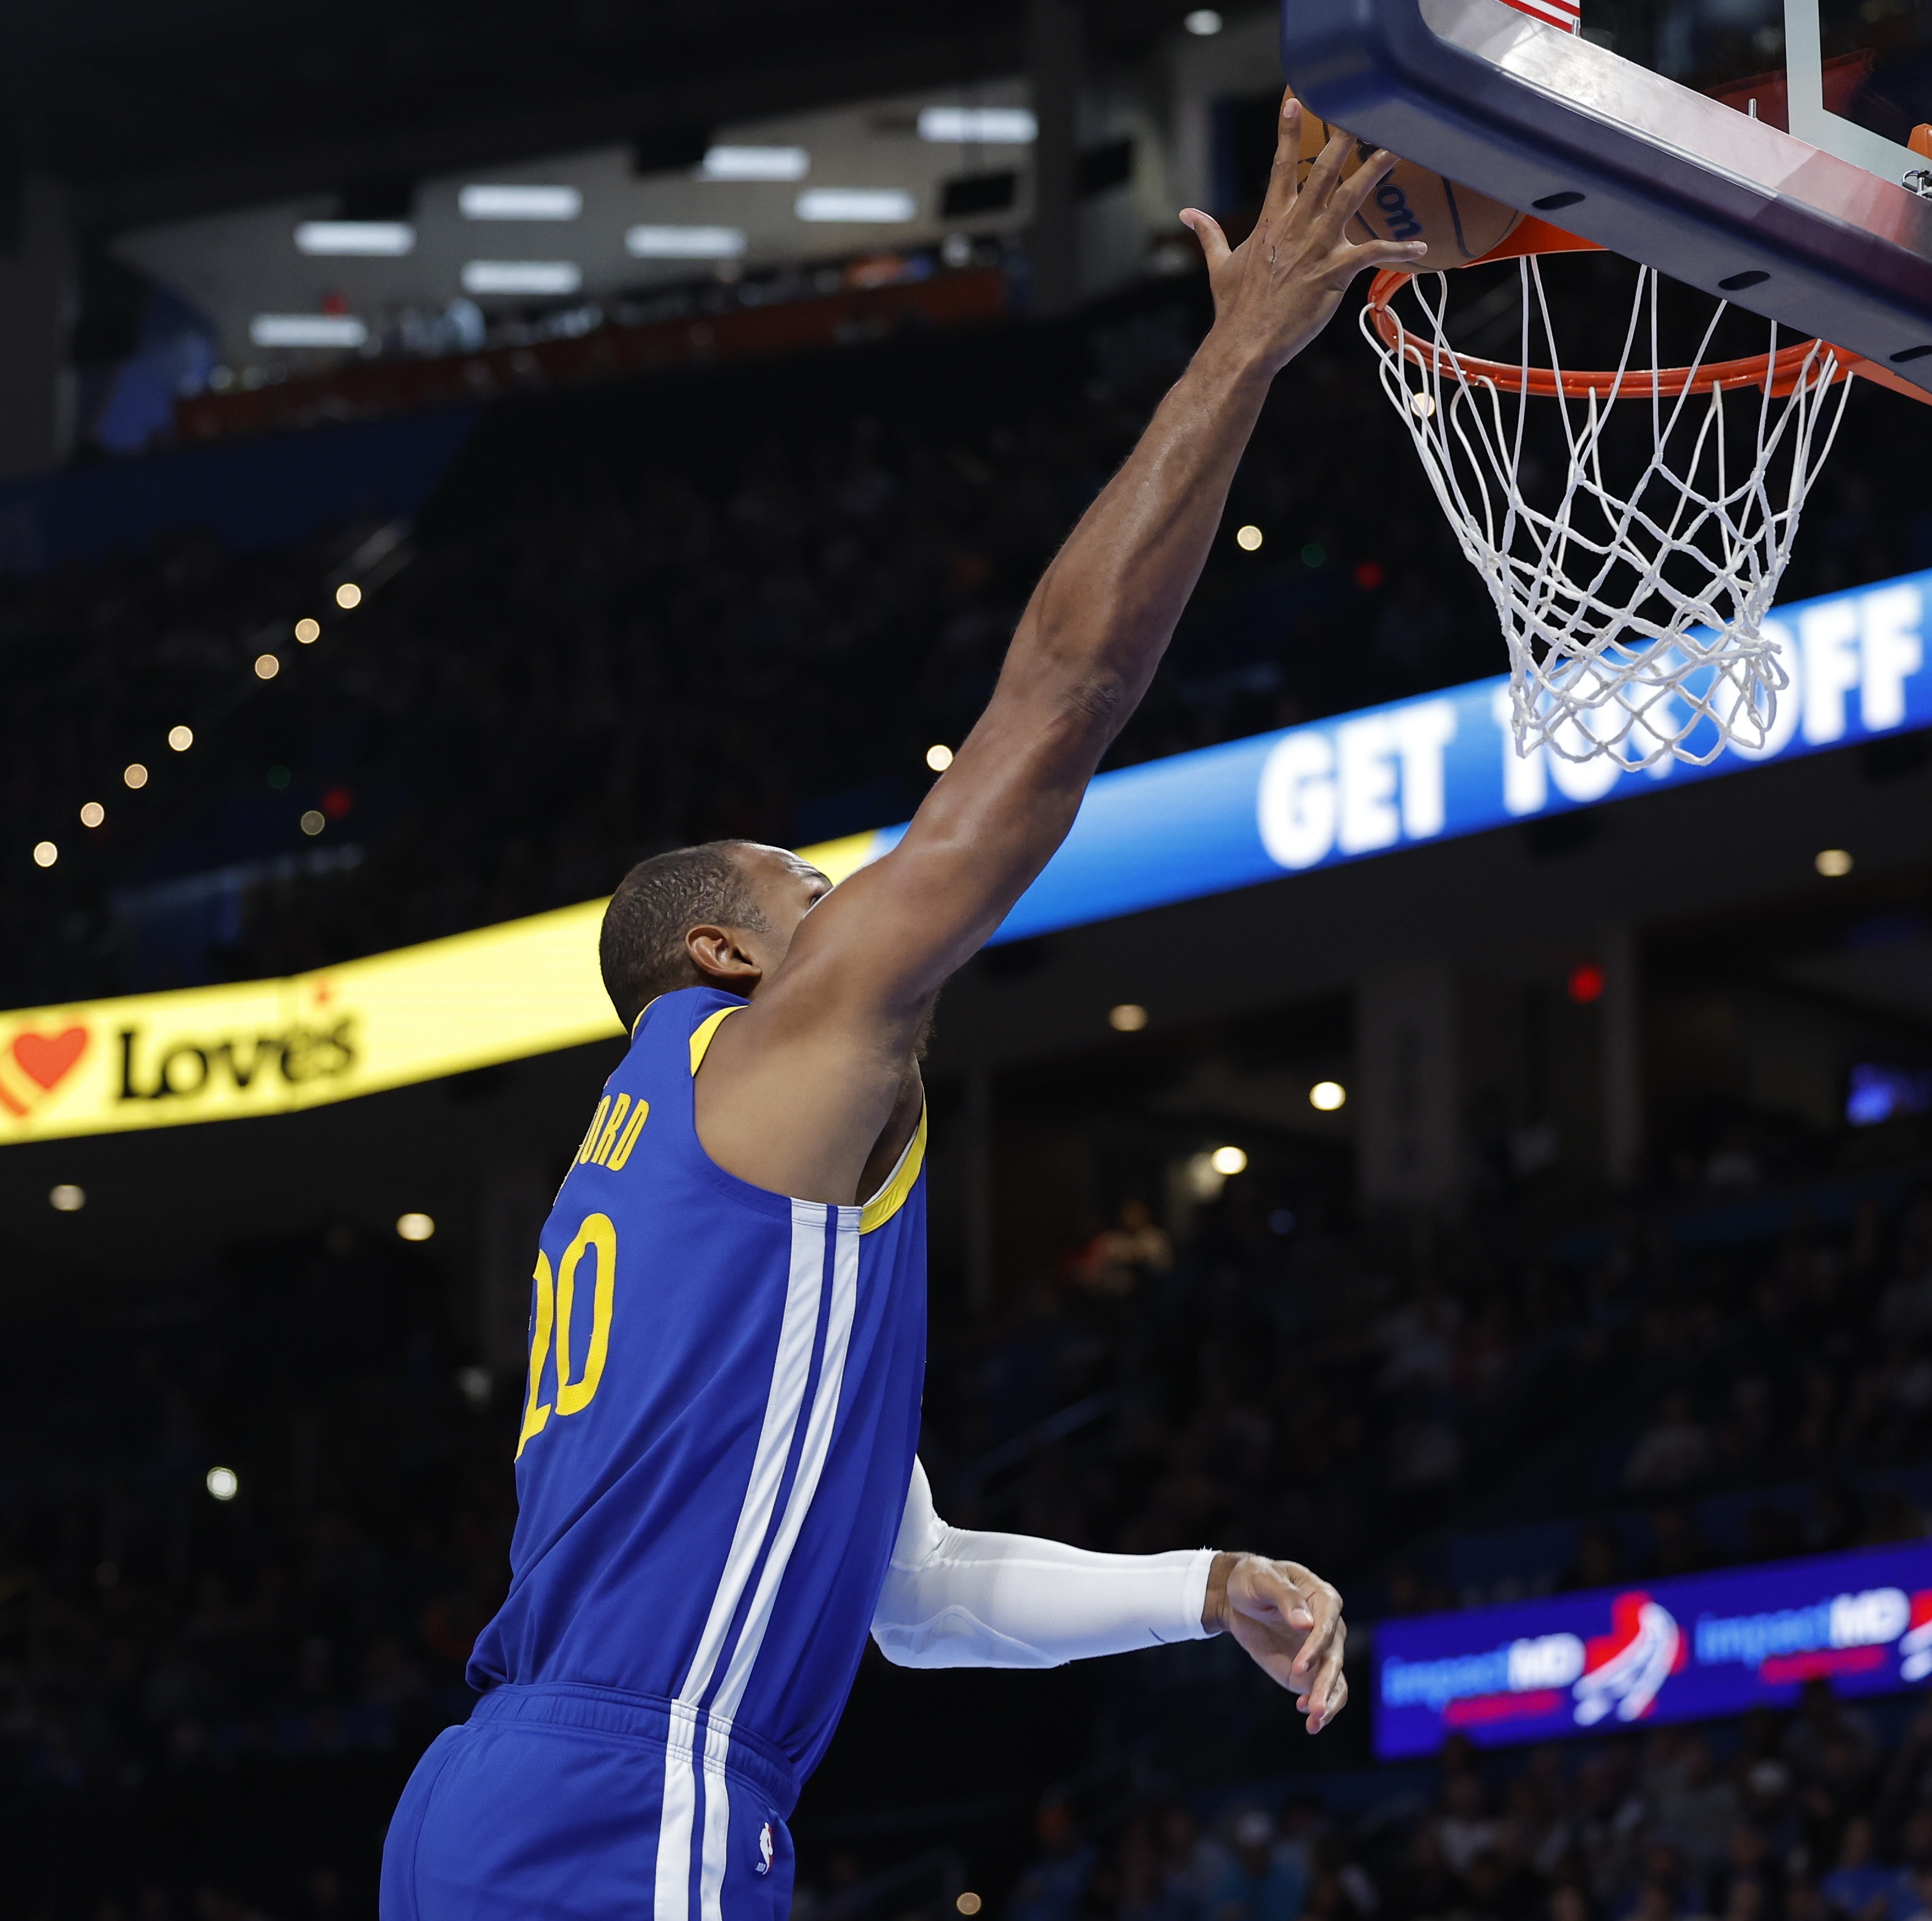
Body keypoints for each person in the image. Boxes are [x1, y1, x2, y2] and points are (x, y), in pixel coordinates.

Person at [378, 97, 1425, 1921]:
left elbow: (914, 1592)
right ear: (726, 958)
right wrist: (1245, 349)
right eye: (811, 889)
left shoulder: (667, 1199)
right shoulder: (764, 1056)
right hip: (633, 1794)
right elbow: (1062, 698)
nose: (857, 908)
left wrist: (1195, 1585)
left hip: (500, 1798)